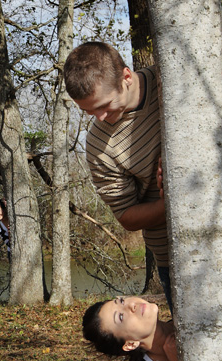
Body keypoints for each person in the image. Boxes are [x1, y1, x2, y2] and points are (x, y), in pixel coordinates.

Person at [64, 42, 172, 308]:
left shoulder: (170, 78)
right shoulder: (99, 145)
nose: (99, 118)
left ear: (126, 77)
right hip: (173, 254)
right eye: (88, 111)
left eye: (104, 105)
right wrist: (171, 202)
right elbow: (127, 216)